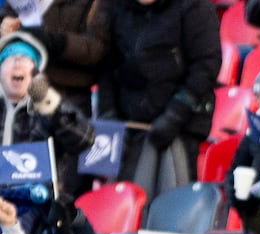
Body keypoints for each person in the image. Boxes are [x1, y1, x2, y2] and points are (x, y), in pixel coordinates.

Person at [97, 0, 221, 198]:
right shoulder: (117, 8)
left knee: (171, 205)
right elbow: (107, 65)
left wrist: (174, 115)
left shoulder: (194, 7)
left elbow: (206, 66)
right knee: (123, 202)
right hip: (128, 128)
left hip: (179, 129)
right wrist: (108, 113)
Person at [0, 31, 94, 195]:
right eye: (9, 57)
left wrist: (50, 104)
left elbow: (84, 139)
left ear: (36, 73)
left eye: (25, 58)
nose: (17, 62)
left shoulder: (49, 108)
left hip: (35, 203)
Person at [0, 0, 110, 118]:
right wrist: (5, 24)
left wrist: (55, 42)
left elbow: (96, 48)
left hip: (69, 94)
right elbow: (7, 15)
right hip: (20, 90)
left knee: (75, 134)